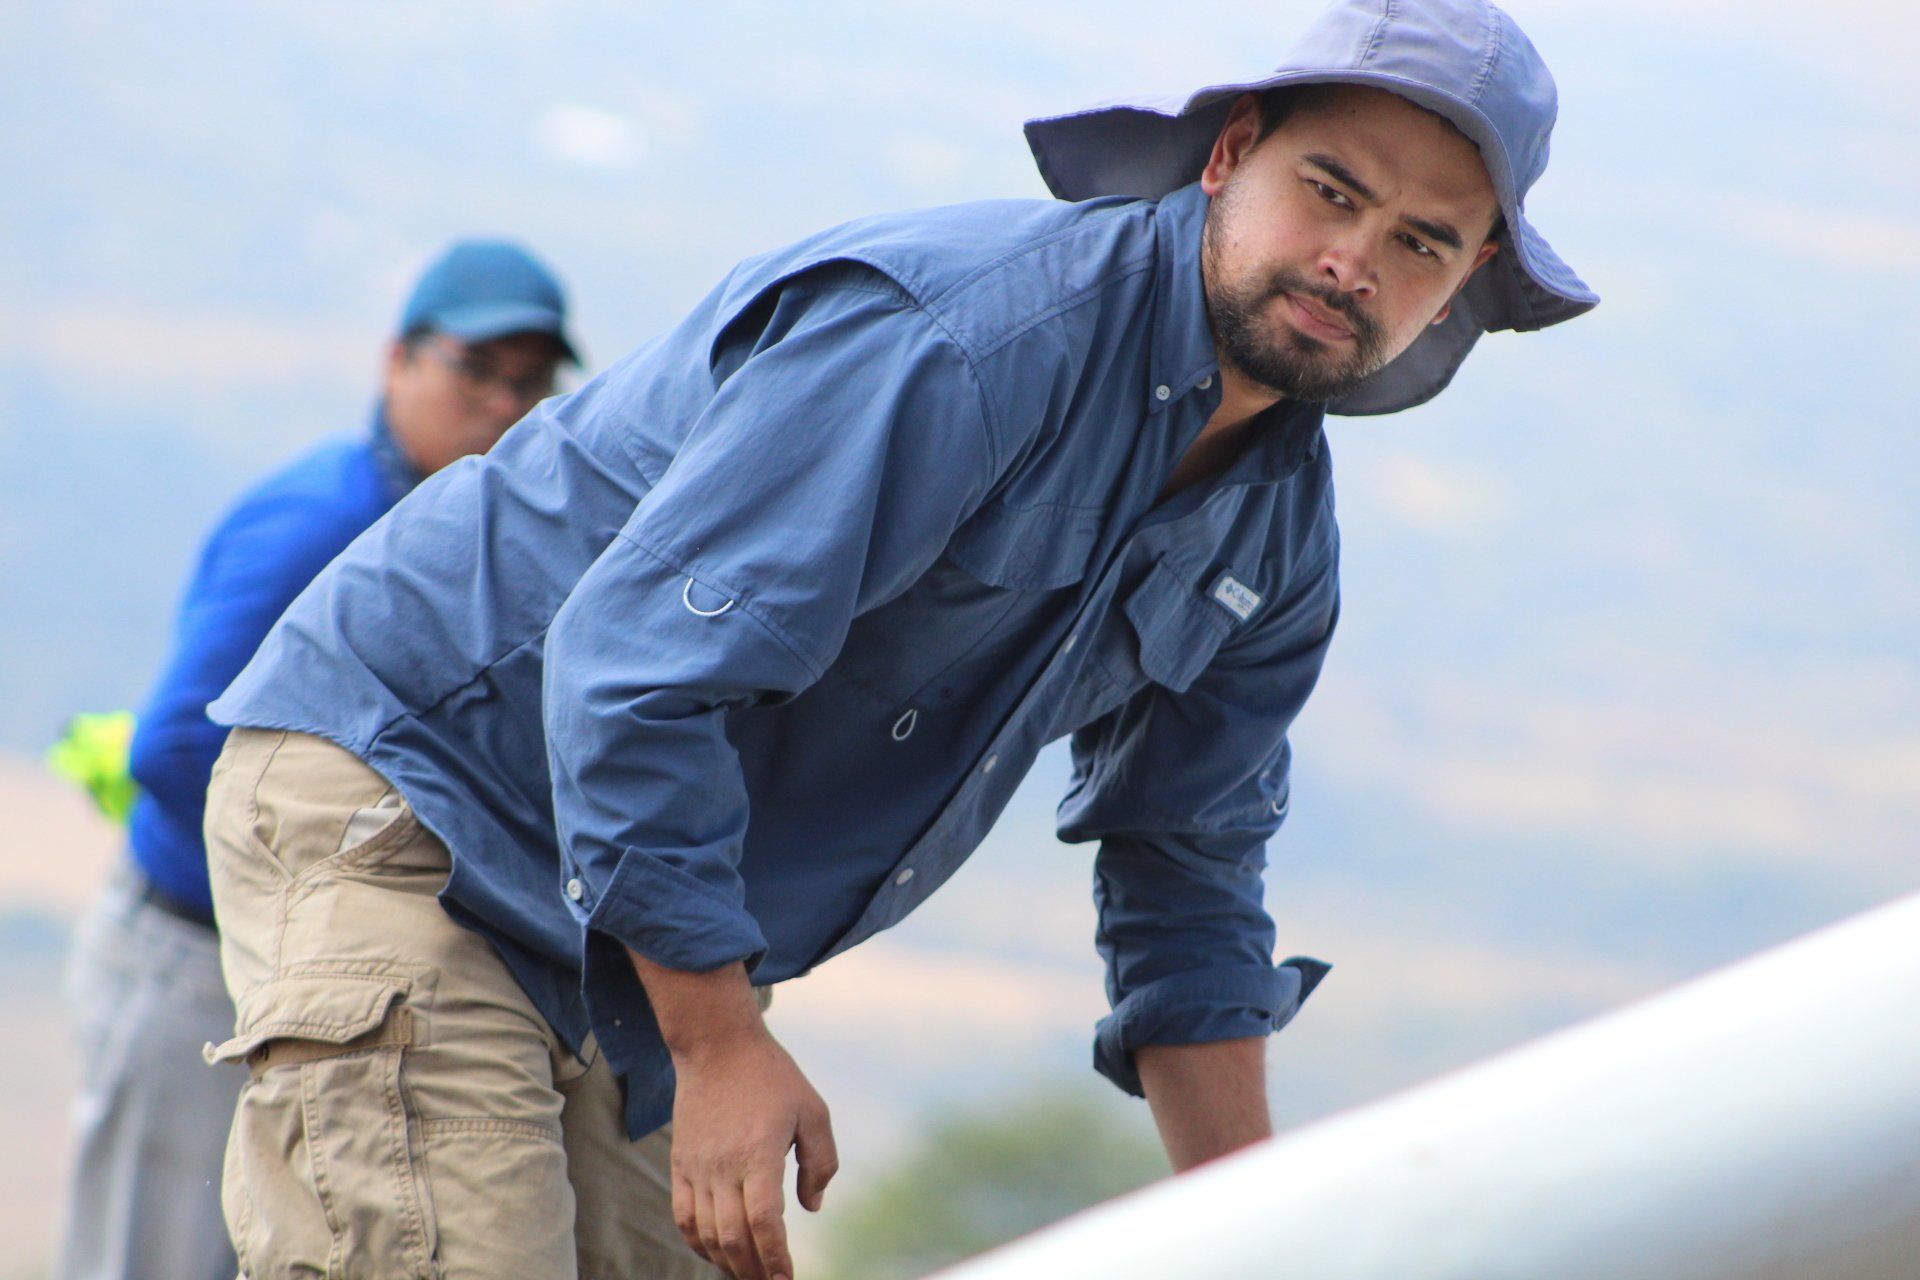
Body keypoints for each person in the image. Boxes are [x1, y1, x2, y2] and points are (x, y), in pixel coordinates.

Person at [200, 2, 1598, 1278]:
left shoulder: (1275, 532)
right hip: (424, 801)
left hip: (634, 916)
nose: (1356, 260)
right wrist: (723, 1039)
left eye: (1420, 240)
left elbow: (1190, 870)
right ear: (1231, 154)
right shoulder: (978, 345)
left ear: (1466, 279)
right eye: (1333, 191)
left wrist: (1259, 1231)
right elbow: (632, 671)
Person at [55, 240, 577, 1280]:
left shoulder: (463, 519)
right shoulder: (322, 517)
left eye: (529, 381)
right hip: (195, 955)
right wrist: (325, 923)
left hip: (283, 967)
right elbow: (175, 744)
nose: (499, 403)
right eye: (472, 369)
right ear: (397, 362)